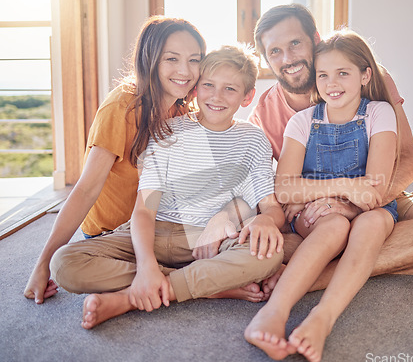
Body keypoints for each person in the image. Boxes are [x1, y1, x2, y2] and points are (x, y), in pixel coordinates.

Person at [24, 16, 262, 305]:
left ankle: (171, 280)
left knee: (264, 248)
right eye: (172, 59)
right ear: (151, 60)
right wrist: (42, 263)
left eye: (194, 60)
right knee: (65, 266)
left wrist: (225, 215)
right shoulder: (122, 107)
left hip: (162, 229)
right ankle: (207, 284)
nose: (185, 71)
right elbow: (85, 190)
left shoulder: (182, 110)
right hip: (114, 232)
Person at [49, 44, 285, 329]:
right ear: (196, 88)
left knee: (269, 255)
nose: (217, 96)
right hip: (157, 229)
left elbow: (270, 206)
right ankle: (207, 284)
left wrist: (265, 220)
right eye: (209, 85)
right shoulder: (168, 130)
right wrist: (146, 264)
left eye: (230, 89)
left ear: (248, 97)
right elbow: (144, 211)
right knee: (64, 264)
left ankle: (131, 297)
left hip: (213, 242)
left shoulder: (254, 139)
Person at [248, 4, 413, 293]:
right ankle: (411, 260)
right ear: (266, 59)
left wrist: (352, 205)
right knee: (273, 245)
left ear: (315, 40)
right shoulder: (264, 112)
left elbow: (406, 160)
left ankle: (316, 278)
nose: (288, 58)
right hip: (314, 213)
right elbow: (273, 187)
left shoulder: (369, 77)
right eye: (275, 51)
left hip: (379, 193)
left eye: (295, 43)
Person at [246, 29, 400, 362]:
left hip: (367, 209)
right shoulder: (301, 122)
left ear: (365, 75)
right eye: (323, 75)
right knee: (332, 226)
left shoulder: (379, 113)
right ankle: (275, 312)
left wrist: (343, 199)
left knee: (372, 223)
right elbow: (285, 188)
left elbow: (374, 190)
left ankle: (322, 317)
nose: (332, 83)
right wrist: (343, 189)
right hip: (319, 213)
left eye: (343, 73)